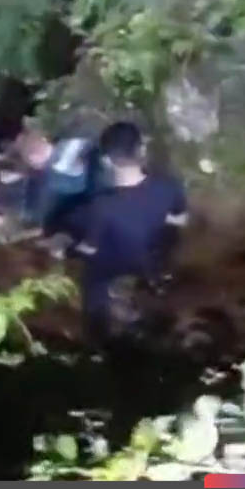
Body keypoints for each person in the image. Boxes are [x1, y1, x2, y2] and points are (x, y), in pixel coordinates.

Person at [72, 121, 187, 332]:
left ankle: (95, 331)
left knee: (88, 279)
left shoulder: (102, 205)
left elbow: (89, 249)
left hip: (112, 281)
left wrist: (68, 249)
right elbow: (178, 223)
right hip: (153, 275)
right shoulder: (169, 186)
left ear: (106, 161)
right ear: (141, 150)